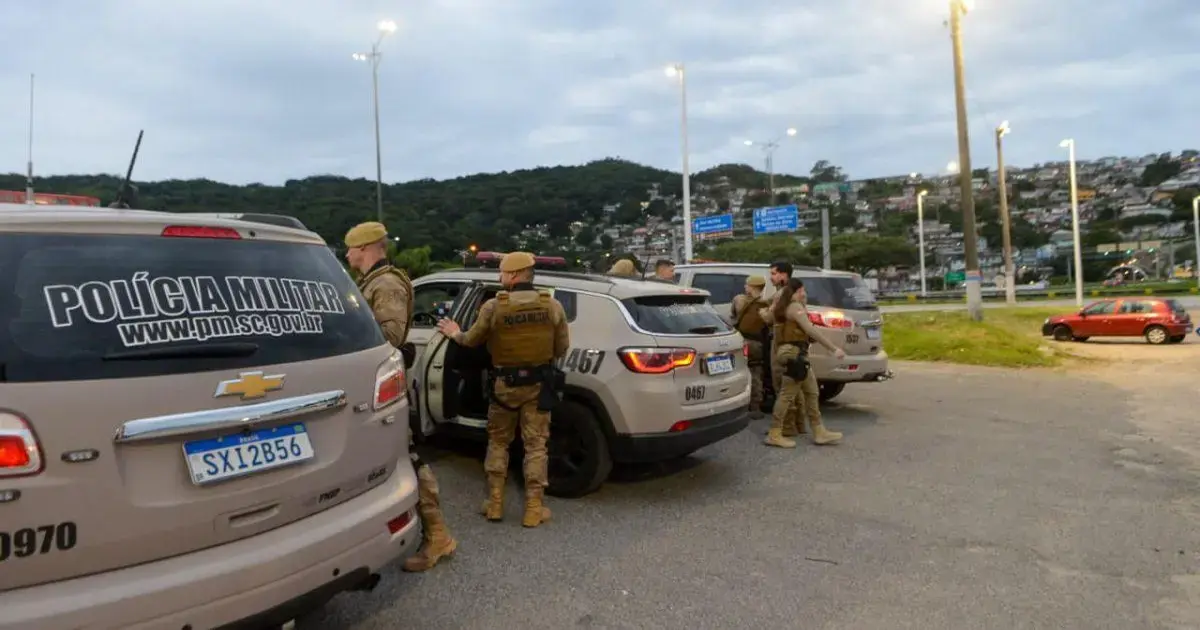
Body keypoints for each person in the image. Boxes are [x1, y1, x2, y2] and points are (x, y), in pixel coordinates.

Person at [344, 221, 458, 572]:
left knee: (405, 457)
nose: (347, 254)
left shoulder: (387, 283)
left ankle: (438, 535)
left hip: (382, 388)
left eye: (350, 248)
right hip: (370, 386)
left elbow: (390, 336)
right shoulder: (373, 282)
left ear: (364, 248)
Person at [436, 252, 570, 528]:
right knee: (536, 446)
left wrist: (454, 333)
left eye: (502, 272)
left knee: (498, 442)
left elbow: (471, 341)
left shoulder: (494, 307)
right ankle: (534, 508)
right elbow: (561, 348)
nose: (499, 277)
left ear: (514, 275)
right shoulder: (552, 305)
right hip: (538, 385)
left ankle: (495, 504)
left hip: (504, 387)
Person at [765, 277, 846, 448]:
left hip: (795, 354)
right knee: (787, 395)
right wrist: (833, 348)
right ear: (799, 291)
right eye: (803, 291)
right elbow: (810, 329)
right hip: (794, 355)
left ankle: (819, 431)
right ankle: (774, 433)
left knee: (812, 392)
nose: (805, 293)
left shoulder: (782, 306)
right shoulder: (794, 307)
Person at [758, 261, 797, 431]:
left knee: (780, 384)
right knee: (793, 387)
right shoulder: (788, 291)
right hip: (787, 341)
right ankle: (795, 425)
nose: (771, 277)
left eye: (774, 273)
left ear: (783, 274)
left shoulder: (784, 293)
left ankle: (784, 427)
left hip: (781, 341)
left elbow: (769, 318)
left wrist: (762, 311)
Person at [730, 275, 769, 415]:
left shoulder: (738, 299)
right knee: (756, 373)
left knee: (736, 373)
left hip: (741, 342)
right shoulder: (766, 305)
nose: (745, 287)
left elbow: (733, 316)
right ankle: (755, 406)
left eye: (747, 284)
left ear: (752, 287)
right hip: (757, 344)